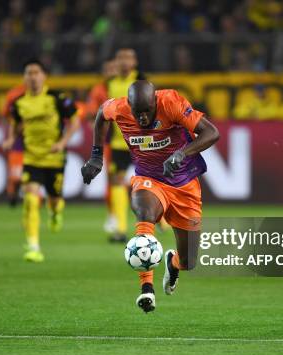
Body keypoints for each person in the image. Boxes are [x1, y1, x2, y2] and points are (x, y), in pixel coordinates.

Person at [81, 81, 219, 313]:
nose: (143, 117)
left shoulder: (171, 103)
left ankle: (173, 263)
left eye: (147, 111)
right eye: (138, 112)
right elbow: (100, 116)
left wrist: (181, 153)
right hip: (149, 179)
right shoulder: (120, 107)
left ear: (155, 102)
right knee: (144, 213)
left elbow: (211, 132)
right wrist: (96, 156)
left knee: (189, 262)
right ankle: (147, 288)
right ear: (130, 106)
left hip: (184, 184)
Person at [10, 59, 80, 262]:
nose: (32, 76)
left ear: (43, 76)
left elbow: (75, 120)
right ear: (24, 77)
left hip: (54, 157)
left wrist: (63, 142)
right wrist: (10, 138)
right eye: (28, 72)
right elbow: (15, 124)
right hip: (32, 157)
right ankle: (33, 246)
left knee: (55, 199)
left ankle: (56, 211)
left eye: (36, 72)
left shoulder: (56, 97)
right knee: (31, 199)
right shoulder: (19, 102)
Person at [104, 48, 145, 243]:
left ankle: (161, 220)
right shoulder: (110, 83)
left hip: (143, 141)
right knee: (117, 181)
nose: (123, 62)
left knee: (151, 182)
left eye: (127, 58)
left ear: (135, 62)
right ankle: (120, 229)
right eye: (120, 58)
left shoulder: (142, 80)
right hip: (119, 142)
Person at [1, 83, 26, 206]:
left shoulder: (46, 96)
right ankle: (12, 194)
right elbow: (9, 118)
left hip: (37, 143)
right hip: (19, 142)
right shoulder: (15, 95)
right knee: (16, 176)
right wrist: (10, 137)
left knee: (32, 178)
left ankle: (34, 198)